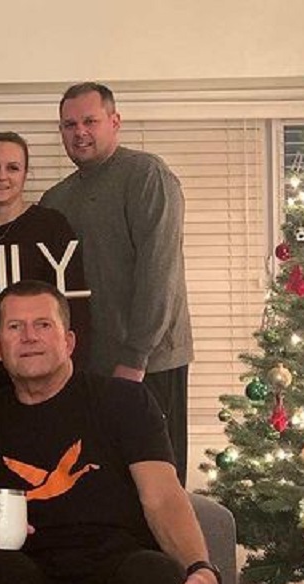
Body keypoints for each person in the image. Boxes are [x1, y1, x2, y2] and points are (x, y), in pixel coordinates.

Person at [0, 281, 218, 584]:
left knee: (156, 577)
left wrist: (203, 569)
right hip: (27, 565)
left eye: (43, 325)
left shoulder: (126, 402)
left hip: (117, 561)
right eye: (15, 327)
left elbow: (163, 498)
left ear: (70, 341)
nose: (29, 337)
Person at [40, 83, 193, 484]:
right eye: (69, 124)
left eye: (90, 121)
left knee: (158, 483)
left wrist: (135, 359)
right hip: (88, 368)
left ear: (115, 121)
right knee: (103, 484)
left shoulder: (147, 176)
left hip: (150, 365)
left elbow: (159, 273)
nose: (80, 132)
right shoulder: (55, 200)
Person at [0, 131, 91, 396]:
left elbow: (75, 309)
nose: (1, 176)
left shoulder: (51, 226)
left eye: (12, 168)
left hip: (48, 381)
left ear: (25, 175)